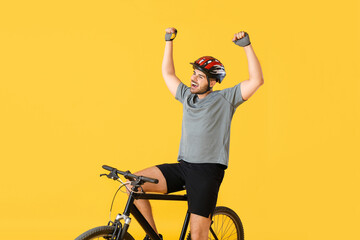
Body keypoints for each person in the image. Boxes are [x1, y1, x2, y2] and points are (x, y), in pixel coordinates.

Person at [132, 27, 264, 240]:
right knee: (134, 184)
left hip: (207, 172)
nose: (193, 78)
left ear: (212, 82)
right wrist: (169, 41)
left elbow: (256, 80)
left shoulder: (225, 99)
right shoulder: (186, 96)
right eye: (194, 73)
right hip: (184, 166)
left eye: (200, 76)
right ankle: (153, 237)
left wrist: (247, 46)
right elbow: (168, 73)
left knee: (198, 235)